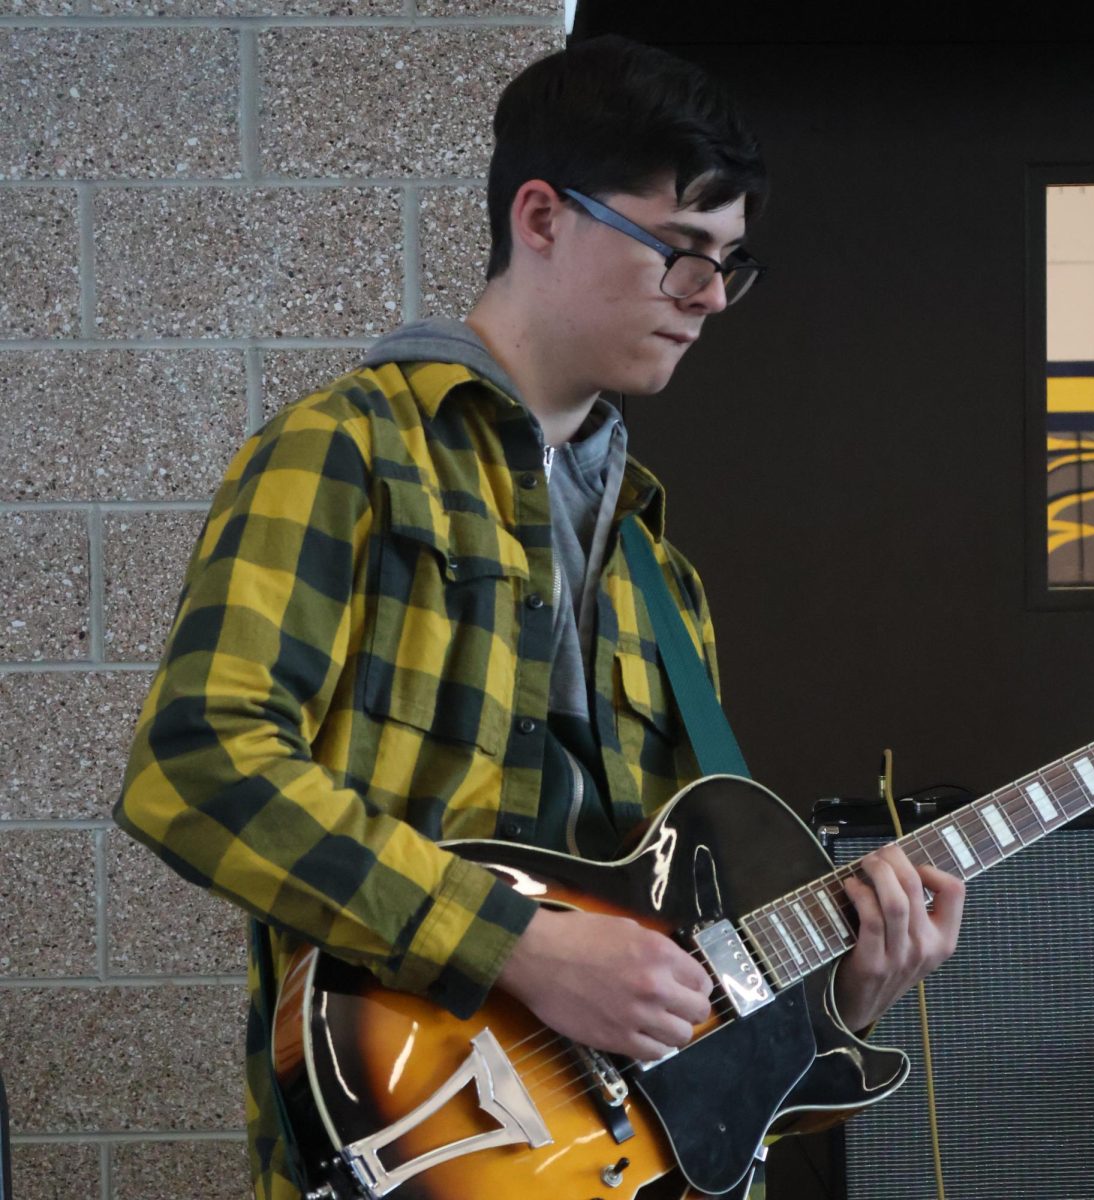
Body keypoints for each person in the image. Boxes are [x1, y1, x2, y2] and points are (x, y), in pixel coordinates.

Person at [114, 33, 965, 1200]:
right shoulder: (347, 454)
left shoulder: (661, 573)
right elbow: (195, 765)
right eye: (680, 251)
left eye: (728, 263)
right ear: (542, 216)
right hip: (417, 1145)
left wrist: (840, 992)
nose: (712, 298)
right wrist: (515, 942)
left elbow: (678, 940)